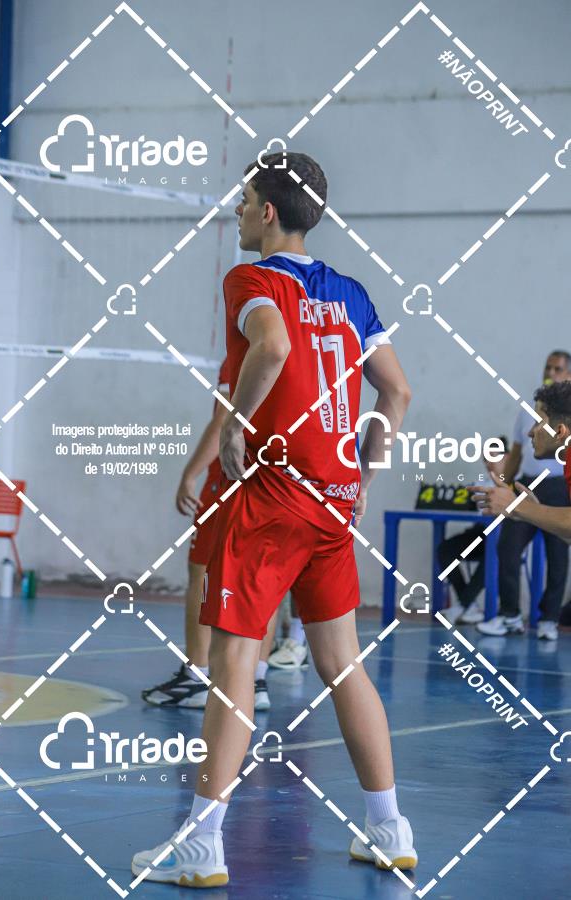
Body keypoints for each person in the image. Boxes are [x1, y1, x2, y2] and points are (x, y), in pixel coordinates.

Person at [131, 151, 415, 887]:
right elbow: (396, 393)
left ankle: (201, 844)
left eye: (244, 197)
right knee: (342, 664)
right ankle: (389, 830)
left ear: (266, 212)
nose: (235, 210)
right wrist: (362, 475)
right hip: (333, 502)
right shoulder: (351, 293)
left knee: (233, 666)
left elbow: (274, 346)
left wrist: (234, 427)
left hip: (271, 497)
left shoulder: (250, 280)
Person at [141, 359, 275, 710]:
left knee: (201, 571)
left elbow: (224, 418)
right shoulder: (302, 343)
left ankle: (197, 676)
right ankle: (257, 679)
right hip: (276, 476)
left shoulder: (248, 348)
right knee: (267, 578)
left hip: (231, 475)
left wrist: (190, 473)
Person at [474, 352, 571, 641]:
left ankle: (548, 620)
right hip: (531, 485)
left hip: (551, 489)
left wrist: (519, 507)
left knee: (557, 561)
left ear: (560, 431)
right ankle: (510, 615)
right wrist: (524, 508)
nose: (530, 432)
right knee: (508, 547)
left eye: (539, 423)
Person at [439, 446, 509, 626]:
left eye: (493, 457)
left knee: (493, 555)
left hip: (504, 538)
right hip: (480, 534)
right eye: (485, 459)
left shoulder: (516, 482)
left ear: (507, 457)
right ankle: (469, 607)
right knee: (446, 550)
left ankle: (462, 605)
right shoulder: (481, 483)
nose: (488, 463)